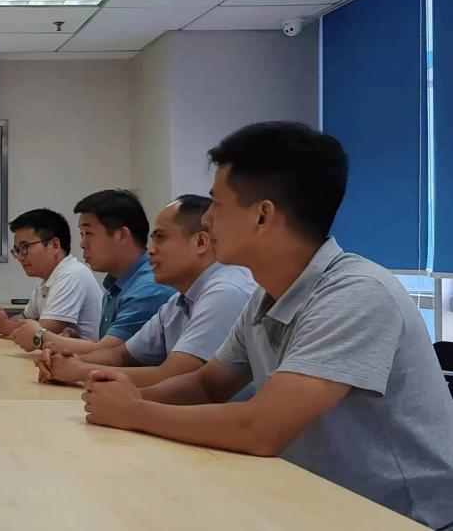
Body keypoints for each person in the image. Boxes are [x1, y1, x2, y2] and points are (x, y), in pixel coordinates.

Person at [81, 122, 453, 528]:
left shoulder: (357, 294)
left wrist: (136, 411)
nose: (206, 219)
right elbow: (206, 385)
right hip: (316, 502)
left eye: (216, 204)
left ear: (263, 216)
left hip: (406, 519)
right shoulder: (266, 295)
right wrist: (123, 396)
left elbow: (261, 428)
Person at [33, 195, 255, 388]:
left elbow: (175, 376)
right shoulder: (179, 301)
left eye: (161, 238)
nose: (151, 251)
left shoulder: (225, 292)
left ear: (200, 242)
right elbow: (121, 355)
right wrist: (68, 362)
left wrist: (79, 370)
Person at [10, 189, 174, 355]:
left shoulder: (149, 287)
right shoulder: (117, 285)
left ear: (121, 235)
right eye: (82, 234)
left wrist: (40, 337)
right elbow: (113, 349)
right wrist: (78, 341)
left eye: (89, 233)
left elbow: (113, 354)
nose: (82, 244)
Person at [0, 208, 102, 340]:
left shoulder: (71, 275)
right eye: (17, 250)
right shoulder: (46, 279)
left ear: (55, 245)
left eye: (24, 247)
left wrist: (3, 325)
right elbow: (25, 318)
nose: (20, 257)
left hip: (88, 353)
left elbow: (44, 332)